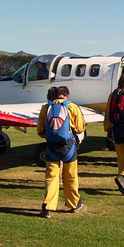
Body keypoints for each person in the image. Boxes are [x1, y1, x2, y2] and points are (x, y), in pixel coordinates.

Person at [37, 86, 87, 218]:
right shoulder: (72, 106)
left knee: (51, 177)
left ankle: (47, 206)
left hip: (51, 145)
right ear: (67, 95)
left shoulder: (46, 107)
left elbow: (40, 129)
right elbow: (81, 127)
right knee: (70, 176)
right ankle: (74, 204)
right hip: (68, 145)